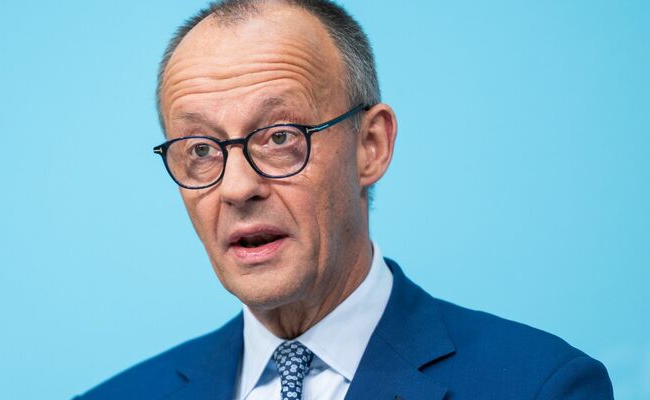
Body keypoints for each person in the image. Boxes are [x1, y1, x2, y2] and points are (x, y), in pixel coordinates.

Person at [76, 1, 613, 399]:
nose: (238, 188)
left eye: (280, 136)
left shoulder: (540, 385)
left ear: (370, 146)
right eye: (200, 149)